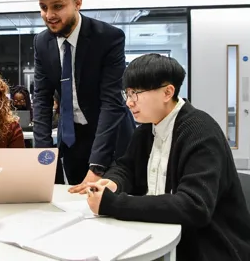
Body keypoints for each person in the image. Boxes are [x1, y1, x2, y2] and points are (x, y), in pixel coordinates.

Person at [83, 54, 250, 261]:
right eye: (126, 93)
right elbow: (125, 167)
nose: (129, 102)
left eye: (136, 93)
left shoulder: (199, 131)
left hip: (206, 245)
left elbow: (194, 206)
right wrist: (114, 183)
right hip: (160, 234)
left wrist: (114, 204)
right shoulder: (147, 128)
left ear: (167, 92)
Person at [32, 0, 134, 186]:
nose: (49, 15)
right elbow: (41, 99)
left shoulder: (108, 38)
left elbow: (111, 102)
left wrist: (97, 165)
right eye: (43, 7)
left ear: (78, 3)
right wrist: (43, 160)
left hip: (110, 138)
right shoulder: (42, 42)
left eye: (58, 6)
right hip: (72, 140)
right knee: (74, 205)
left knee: (112, 209)